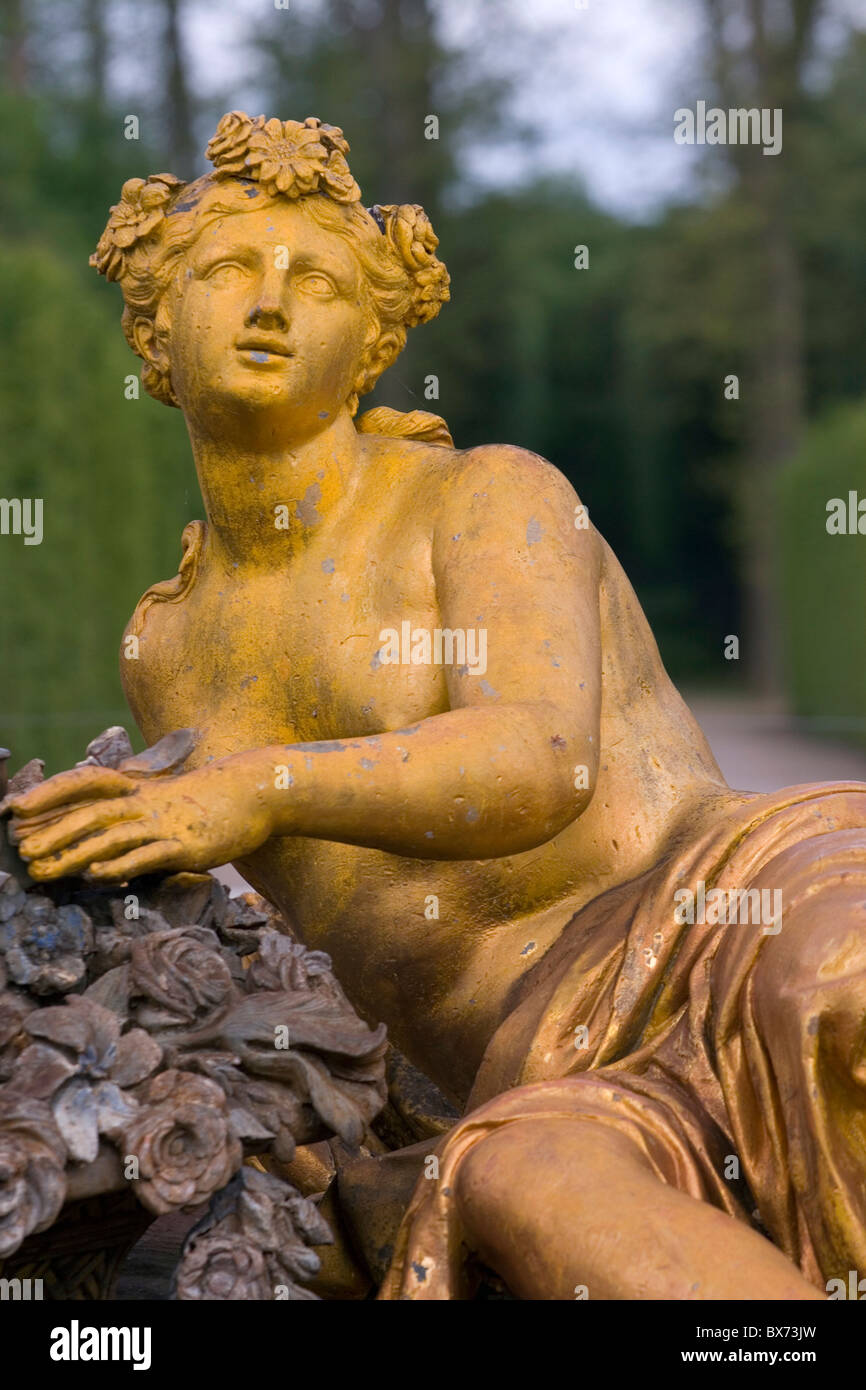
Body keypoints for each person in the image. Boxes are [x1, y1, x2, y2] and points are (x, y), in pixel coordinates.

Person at [5, 112, 865, 1300]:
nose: (268, 303)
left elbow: (538, 760)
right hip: (533, 1072)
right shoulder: (166, 646)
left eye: (313, 281)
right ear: (154, 324)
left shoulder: (486, 497)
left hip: (712, 914)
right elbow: (293, 945)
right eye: (225, 272)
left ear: (369, 344)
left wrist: (253, 785)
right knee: (538, 1192)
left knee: (839, 978)